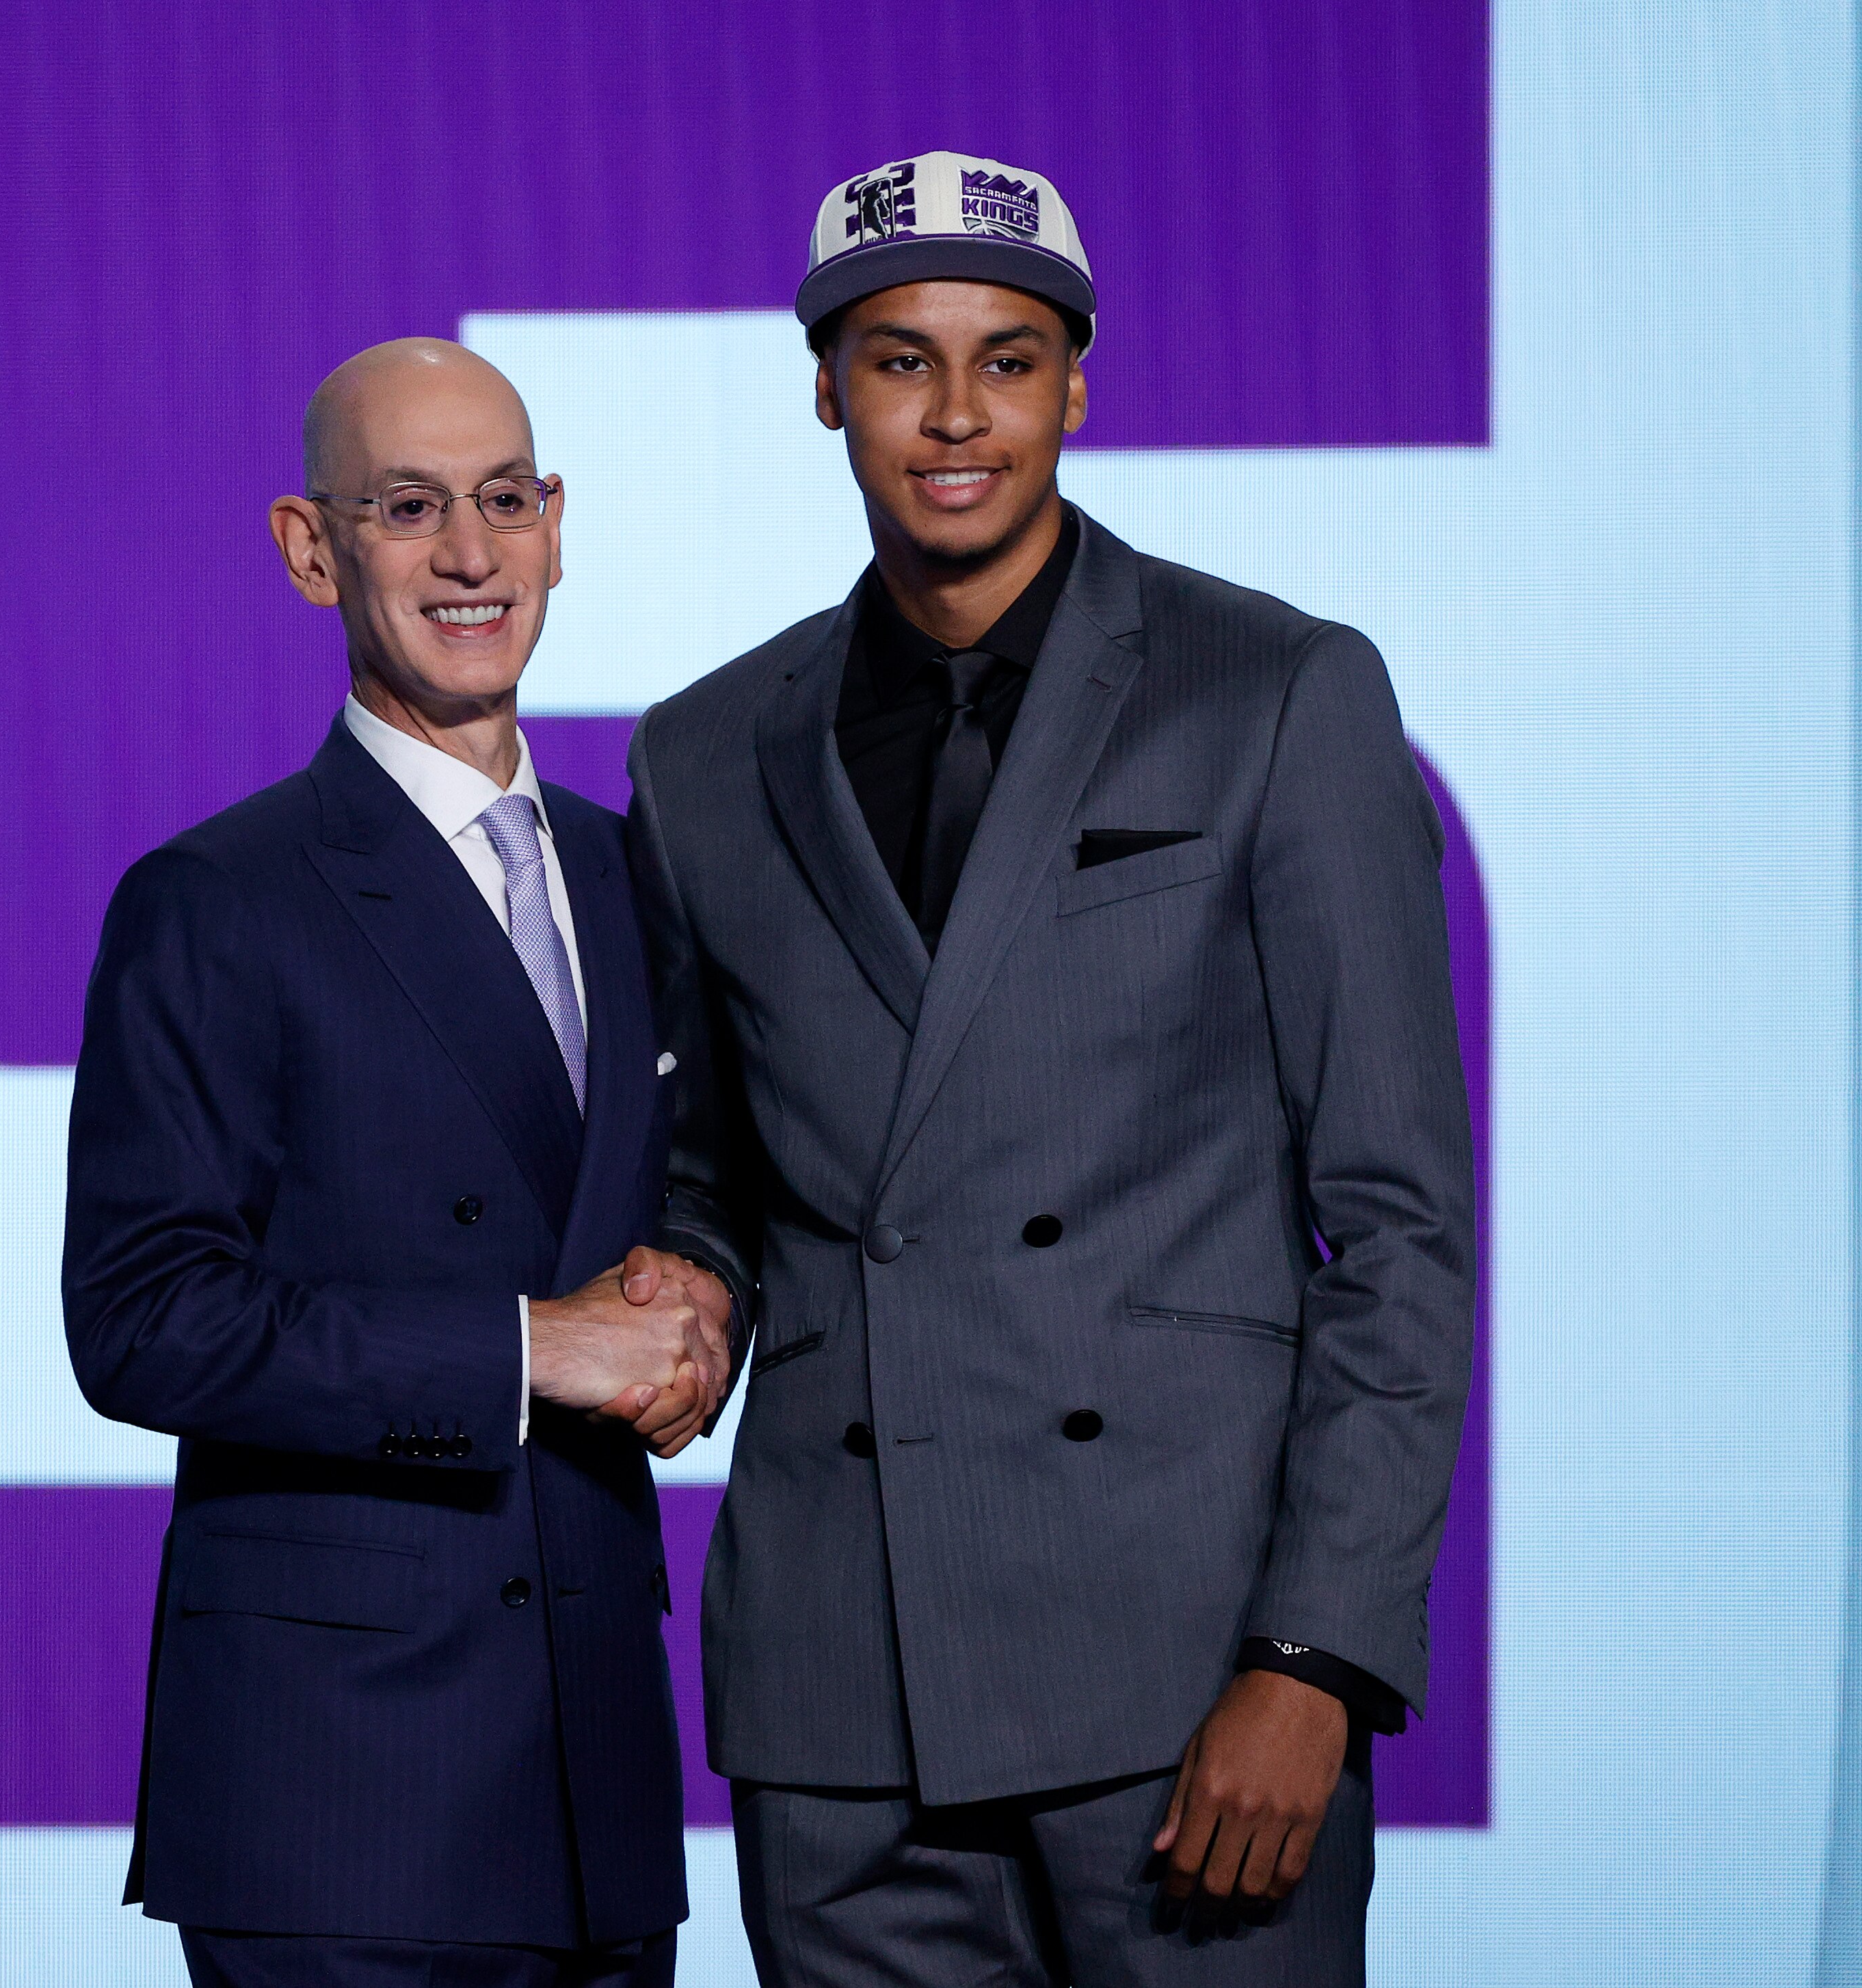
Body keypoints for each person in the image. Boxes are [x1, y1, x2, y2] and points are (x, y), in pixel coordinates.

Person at [626, 154, 1475, 1984]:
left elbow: (1396, 1226)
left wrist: (1312, 1655)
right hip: (840, 1690)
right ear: (825, 386)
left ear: (1076, 383)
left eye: (1006, 361)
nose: (954, 415)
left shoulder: (1269, 690)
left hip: (1184, 1679)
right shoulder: (701, 757)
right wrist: (682, 1273)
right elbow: (721, 1167)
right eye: (899, 360)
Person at [64, 338, 732, 1988]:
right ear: (312, 548)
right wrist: (528, 1345)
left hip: (594, 1776)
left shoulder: (638, 868)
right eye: (410, 506)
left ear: (558, 525)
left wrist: (710, 1288)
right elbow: (142, 1316)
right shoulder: (216, 897)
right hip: (337, 1790)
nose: (469, 552)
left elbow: (711, 1169)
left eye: (504, 499)